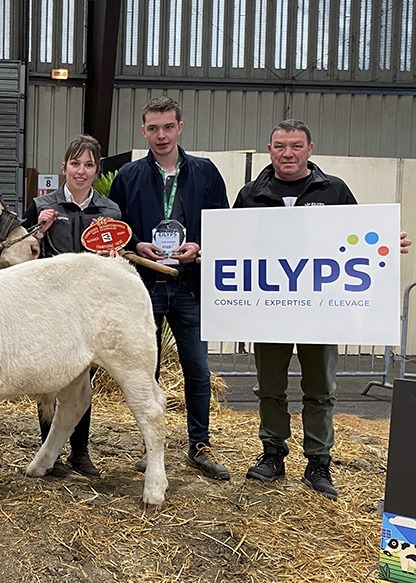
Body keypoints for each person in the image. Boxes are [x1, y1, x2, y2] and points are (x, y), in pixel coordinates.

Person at [235, 119, 411, 500]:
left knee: (320, 390)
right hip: (270, 310)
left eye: (296, 145)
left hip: (321, 310)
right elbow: (236, 246)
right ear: (270, 150)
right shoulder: (251, 193)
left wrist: (384, 240)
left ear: (310, 149)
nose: (288, 153)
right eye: (280, 146)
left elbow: (361, 235)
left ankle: (318, 462)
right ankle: (273, 454)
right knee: (269, 387)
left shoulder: (334, 190)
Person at [108, 97, 232, 480]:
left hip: (189, 287)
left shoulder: (206, 173)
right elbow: (116, 232)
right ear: (143, 131)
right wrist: (135, 245)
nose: (161, 136)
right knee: (147, 371)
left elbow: (223, 225)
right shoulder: (127, 177)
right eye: (153, 128)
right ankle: (153, 445)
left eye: (168, 127)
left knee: (198, 367)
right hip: (144, 287)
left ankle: (200, 445)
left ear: (180, 127)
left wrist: (200, 245)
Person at [22, 134, 121, 478]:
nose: (81, 171)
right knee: (49, 383)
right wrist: (37, 230)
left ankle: (81, 452)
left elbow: (113, 260)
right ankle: (50, 456)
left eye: (89, 165)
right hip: (50, 308)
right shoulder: (43, 205)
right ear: (63, 168)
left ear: (97, 170)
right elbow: (18, 249)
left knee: (82, 384)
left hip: (88, 311)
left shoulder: (109, 211)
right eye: (75, 164)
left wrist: (114, 258)